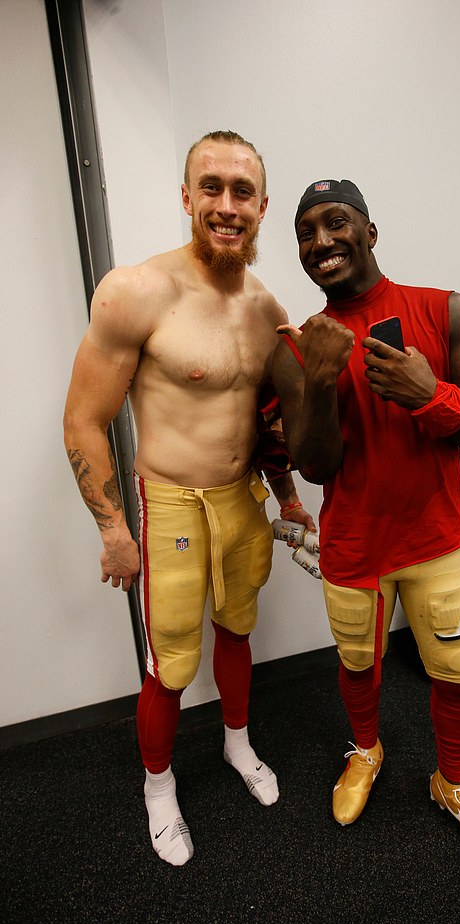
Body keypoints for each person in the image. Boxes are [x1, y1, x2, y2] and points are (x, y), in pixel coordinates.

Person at [63, 131, 314, 867]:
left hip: (241, 498)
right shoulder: (136, 290)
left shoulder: (269, 308)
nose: (227, 205)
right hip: (168, 501)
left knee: (237, 628)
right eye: (212, 187)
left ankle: (237, 743)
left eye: (243, 191)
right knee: (170, 662)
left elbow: (268, 421)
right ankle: (158, 787)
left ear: (263, 206)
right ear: (186, 197)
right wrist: (113, 528)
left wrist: (288, 496)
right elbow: (84, 418)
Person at [272, 178, 460, 867]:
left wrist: (427, 393)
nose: (321, 241)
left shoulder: (448, 310)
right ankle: (366, 750)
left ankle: (454, 782)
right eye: (305, 233)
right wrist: (319, 382)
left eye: (336, 222)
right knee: (359, 663)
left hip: (436, 538)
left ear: (370, 231)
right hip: (354, 546)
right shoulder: (295, 348)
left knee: (458, 669)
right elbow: (317, 467)